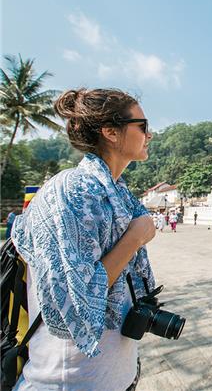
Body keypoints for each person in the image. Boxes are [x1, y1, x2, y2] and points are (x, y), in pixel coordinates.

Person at [11, 88, 156, 390]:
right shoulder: (72, 191)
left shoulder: (118, 195)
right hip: (69, 379)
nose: (150, 134)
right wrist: (135, 237)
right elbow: (77, 301)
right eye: (143, 126)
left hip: (113, 376)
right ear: (110, 132)